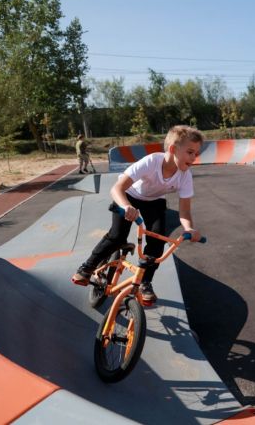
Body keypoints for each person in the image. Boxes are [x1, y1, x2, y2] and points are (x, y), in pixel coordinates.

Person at [71, 125, 205, 304]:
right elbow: (117, 188)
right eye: (190, 152)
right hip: (129, 196)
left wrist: (189, 228)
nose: (194, 157)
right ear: (173, 149)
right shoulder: (151, 162)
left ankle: (145, 282)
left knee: (157, 242)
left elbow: (185, 210)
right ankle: (87, 267)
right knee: (118, 236)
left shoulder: (185, 175)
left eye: (196, 153)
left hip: (154, 201)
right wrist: (126, 206)